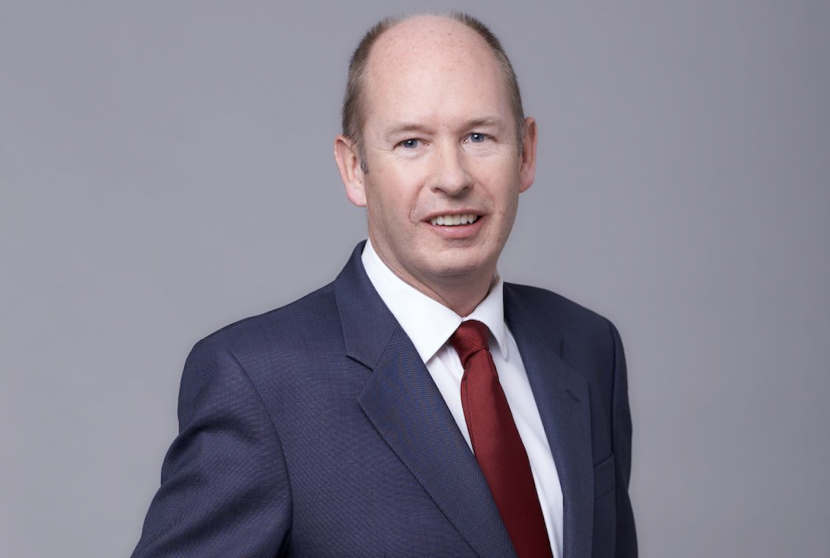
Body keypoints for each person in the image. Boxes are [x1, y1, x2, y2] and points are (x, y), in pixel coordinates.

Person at [131, 12, 636, 558]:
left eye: (478, 136)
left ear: (526, 153)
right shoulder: (259, 384)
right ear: (354, 168)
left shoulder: (588, 348)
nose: (452, 177)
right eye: (412, 142)